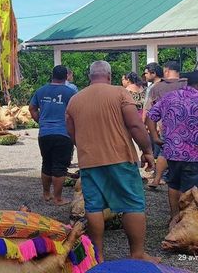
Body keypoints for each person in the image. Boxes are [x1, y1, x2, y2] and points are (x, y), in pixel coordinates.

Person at [65, 61, 156, 263]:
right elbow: (134, 124)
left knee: (94, 207)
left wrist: (86, 148)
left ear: (89, 76)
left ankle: (98, 255)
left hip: (89, 161)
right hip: (120, 158)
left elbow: (72, 133)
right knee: (132, 204)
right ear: (109, 75)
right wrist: (147, 150)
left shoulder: (75, 99)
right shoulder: (120, 93)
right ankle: (137, 253)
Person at [146, 70, 198, 222]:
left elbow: (150, 117)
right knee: (191, 188)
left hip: (172, 151)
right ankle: (187, 220)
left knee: (173, 183)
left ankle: (174, 216)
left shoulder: (170, 97)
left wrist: (155, 137)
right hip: (194, 153)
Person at [29, 65, 77, 205]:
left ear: (53, 75)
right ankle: (58, 198)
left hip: (44, 134)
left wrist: (40, 120)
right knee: (59, 167)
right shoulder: (70, 93)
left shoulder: (41, 90)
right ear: (66, 76)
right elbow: (75, 112)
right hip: (63, 134)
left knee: (46, 164)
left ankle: (46, 193)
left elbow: (32, 108)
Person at [143, 61, 187, 187]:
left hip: (166, 126)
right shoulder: (187, 83)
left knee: (164, 152)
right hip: (188, 126)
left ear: (166, 71)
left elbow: (150, 110)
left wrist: (151, 128)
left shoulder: (157, 87)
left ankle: (157, 179)